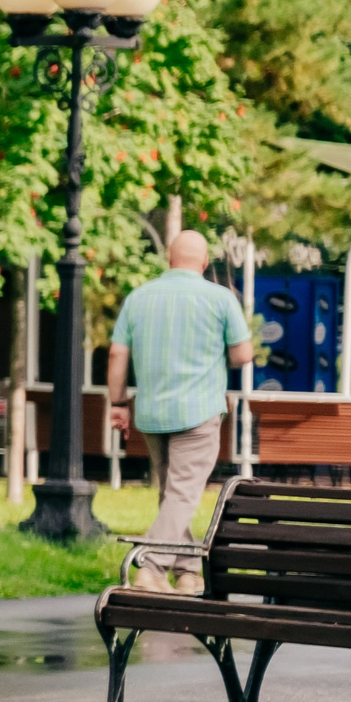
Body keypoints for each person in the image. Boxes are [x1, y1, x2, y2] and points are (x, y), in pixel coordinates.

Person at [107, 230, 253, 591]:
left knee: (173, 494)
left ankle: (187, 573)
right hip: (199, 411)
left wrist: (118, 403)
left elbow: (117, 354)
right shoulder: (220, 298)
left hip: (152, 414)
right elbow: (242, 354)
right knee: (182, 494)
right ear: (203, 263)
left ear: (169, 259)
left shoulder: (139, 297)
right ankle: (152, 567)